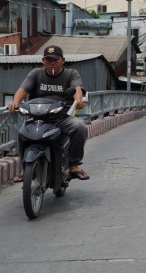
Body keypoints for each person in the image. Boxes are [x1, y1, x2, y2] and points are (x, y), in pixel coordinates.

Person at [8, 45, 90, 181]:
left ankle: (74, 165)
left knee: (79, 127)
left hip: (61, 117)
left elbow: (77, 89)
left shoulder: (70, 74)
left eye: (56, 60)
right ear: (43, 60)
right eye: (49, 59)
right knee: (22, 134)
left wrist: (78, 101)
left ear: (63, 60)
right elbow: (23, 89)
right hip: (37, 117)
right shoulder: (36, 73)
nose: (52, 62)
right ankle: (26, 169)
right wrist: (15, 102)